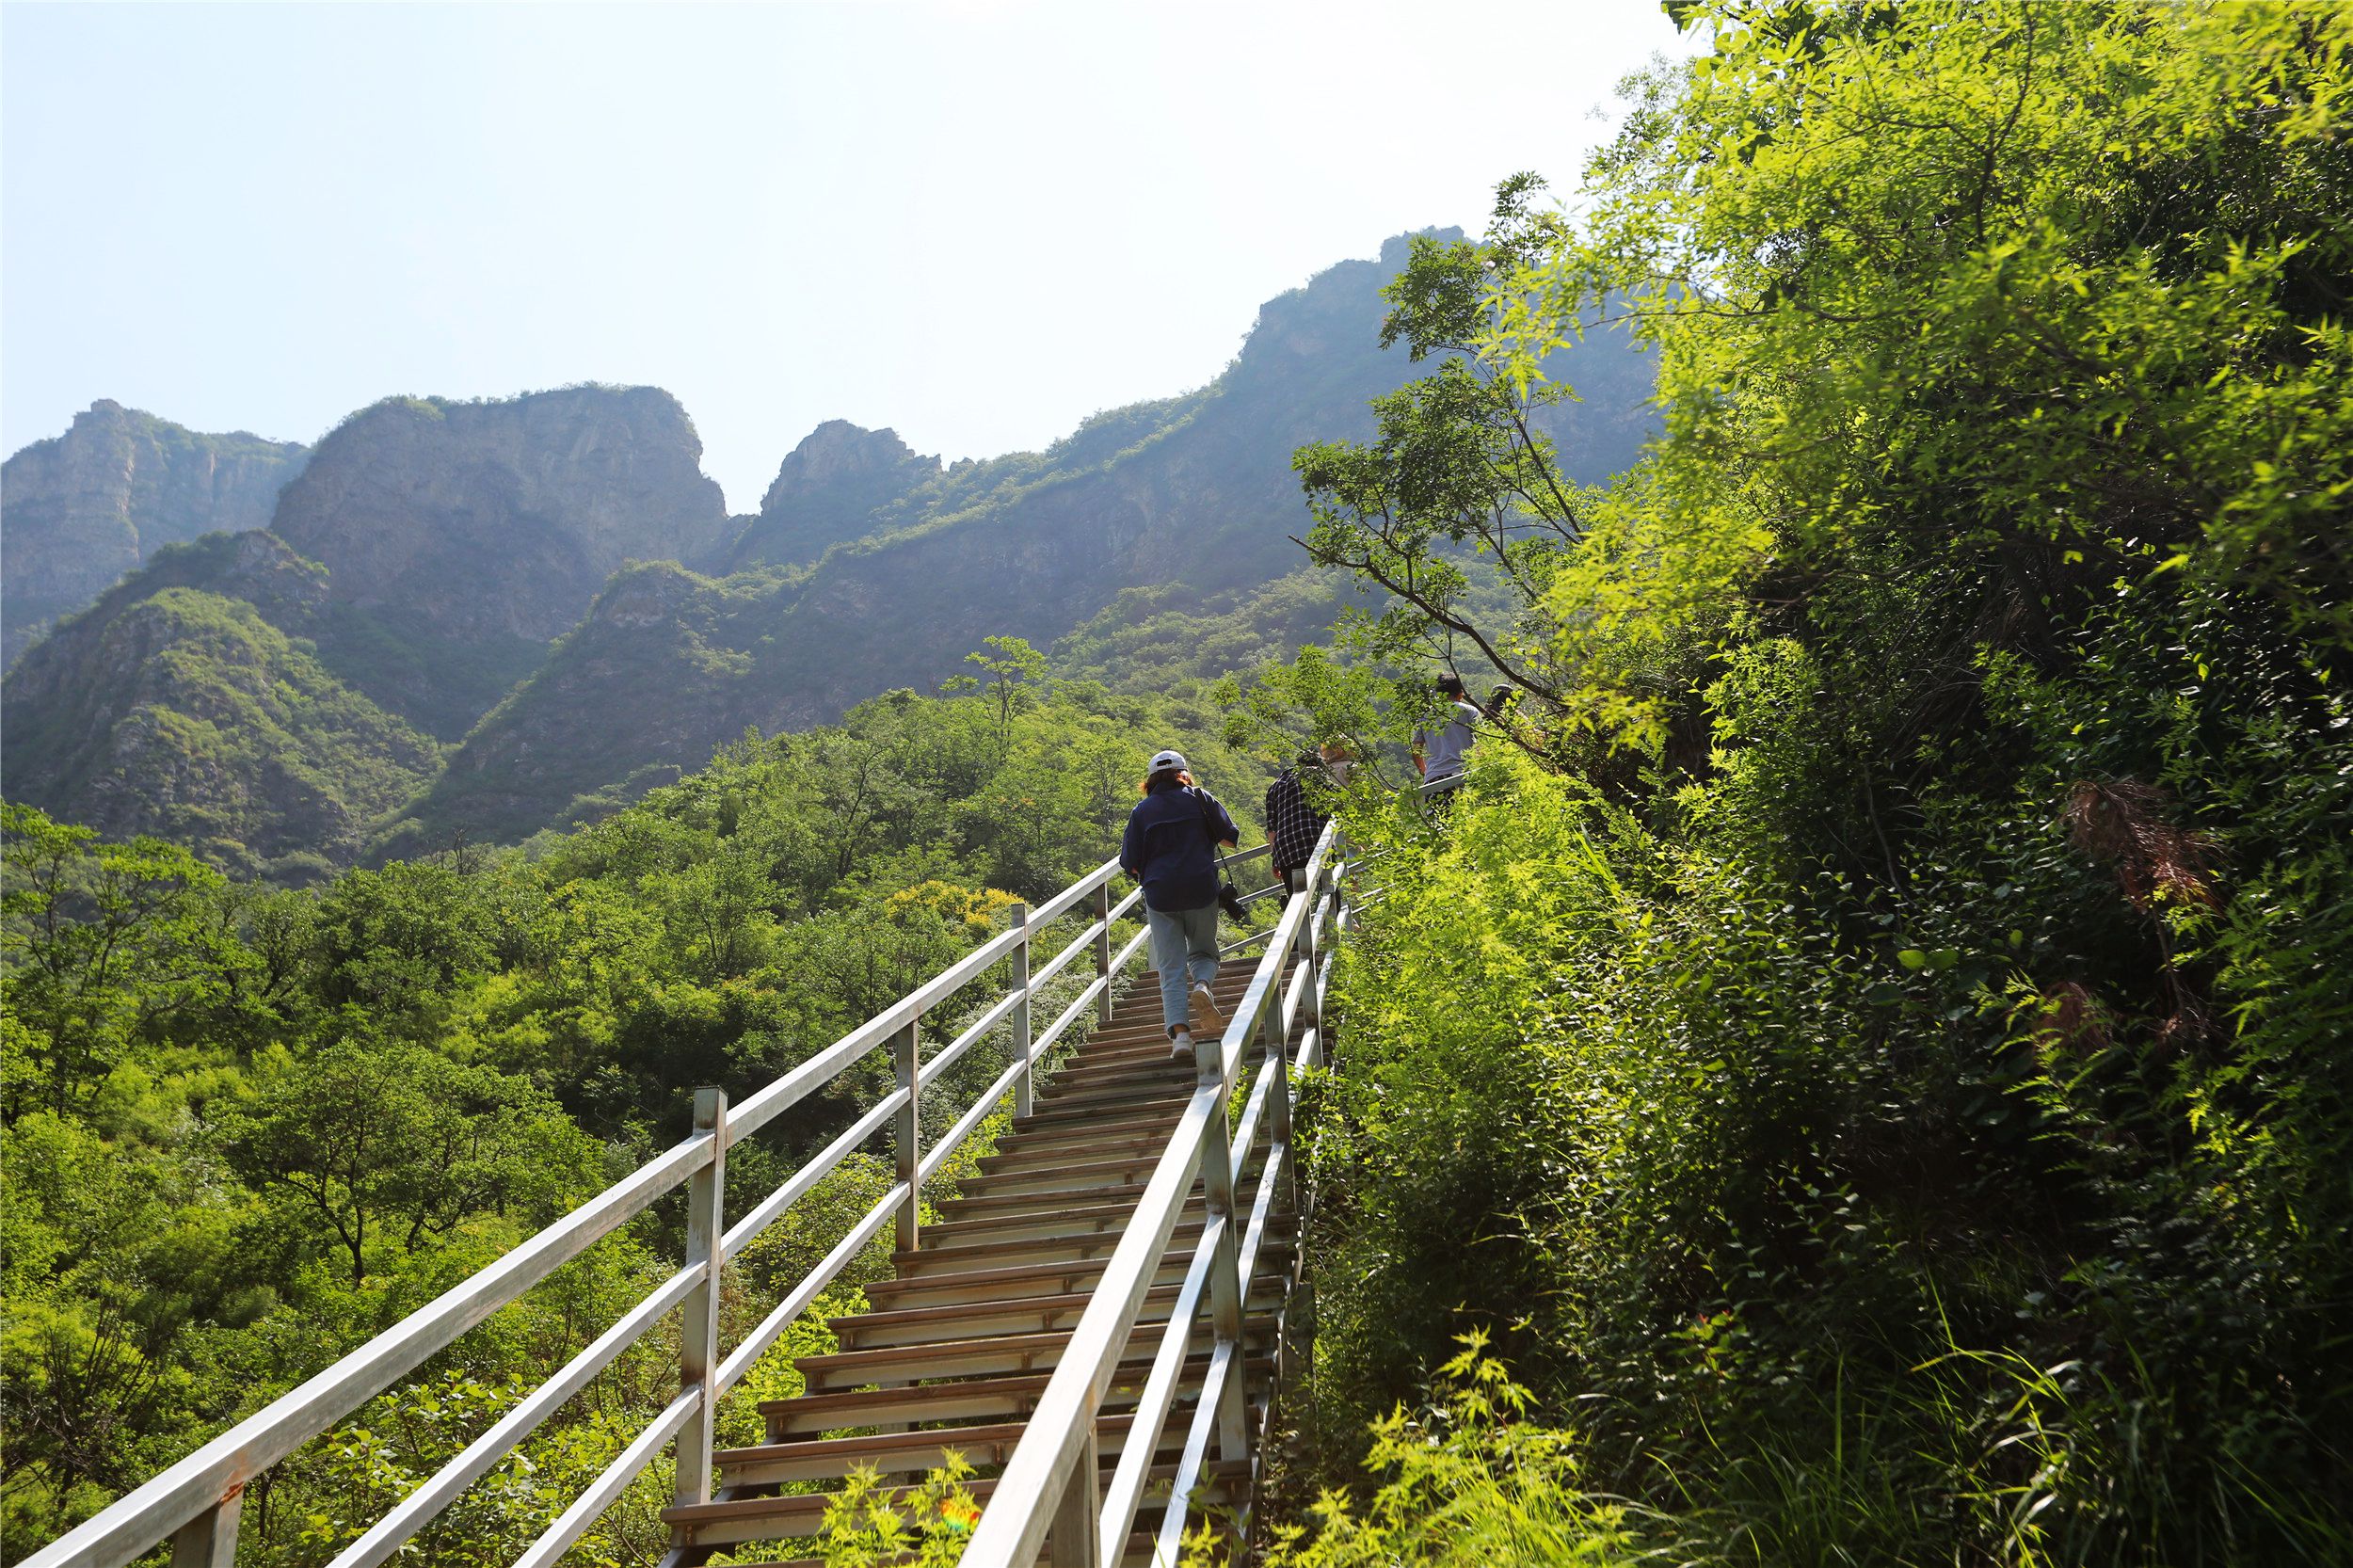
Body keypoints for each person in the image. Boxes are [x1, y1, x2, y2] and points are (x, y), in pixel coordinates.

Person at [1120, 748, 1241, 1061]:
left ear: (1150, 781)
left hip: (1161, 895)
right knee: (1203, 953)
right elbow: (1230, 838)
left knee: (1170, 966)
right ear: (1183, 774)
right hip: (1201, 889)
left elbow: (1129, 862)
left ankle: (1182, 1038)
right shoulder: (1200, 799)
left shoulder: (1141, 811)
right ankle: (1202, 985)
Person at [1265, 741, 1350, 896]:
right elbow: (1339, 805)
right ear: (1317, 765)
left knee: (1297, 899)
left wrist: (1275, 860)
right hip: (1316, 842)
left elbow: (1271, 830)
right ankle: (1334, 910)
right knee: (1330, 892)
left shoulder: (1275, 787)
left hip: (1287, 849)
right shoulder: (1317, 776)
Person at [1414, 675, 1482, 787]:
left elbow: (1416, 750)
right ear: (1460, 693)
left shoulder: (1425, 716)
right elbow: (1482, 743)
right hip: (1464, 774)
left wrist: (1426, 772)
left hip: (1434, 779)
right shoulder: (1470, 711)